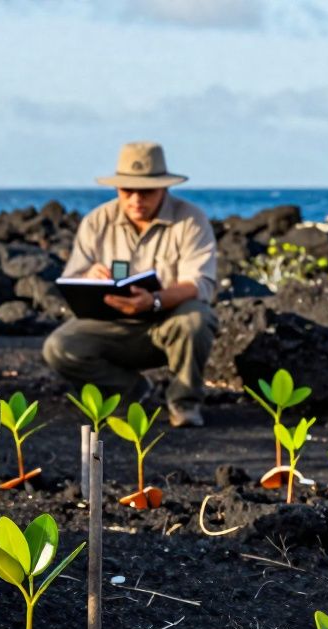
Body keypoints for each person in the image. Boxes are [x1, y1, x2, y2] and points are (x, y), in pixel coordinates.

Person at [43, 141, 218, 427]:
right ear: (117, 189)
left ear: (164, 187)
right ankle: (130, 391)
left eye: (146, 190)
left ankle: (184, 402)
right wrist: (90, 279)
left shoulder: (191, 220)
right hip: (112, 324)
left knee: (197, 319)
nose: (136, 198)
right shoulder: (96, 221)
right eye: (127, 190)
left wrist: (155, 300)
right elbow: (72, 279)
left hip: (168, 321)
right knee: (58, 346)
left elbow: (199, 284)